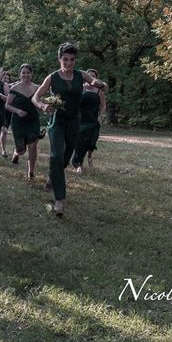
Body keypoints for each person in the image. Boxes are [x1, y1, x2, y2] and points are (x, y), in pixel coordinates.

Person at [32, 42, 107, 217]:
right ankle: (59, 200)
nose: (68, 63)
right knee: (56, 155)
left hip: (75, 122)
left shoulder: (81, 75)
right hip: (56, 121)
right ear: (60, 59)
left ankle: (52, 175)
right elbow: (35, 97)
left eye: (72, 60)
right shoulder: (52, 78)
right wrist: (43, 105)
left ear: (75, 60)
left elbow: (105, 88)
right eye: (65, 59)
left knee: (65, 159)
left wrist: (100, 83)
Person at [5, 64, 41, 179]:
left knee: (32, 146)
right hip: (18, 122)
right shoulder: (14, 88)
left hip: (33, 121)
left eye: (28, 72)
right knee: (22, 151)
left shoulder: (37, 88)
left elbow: (39, 104)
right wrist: (17, 110)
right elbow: (7, 105)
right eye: (23, 73)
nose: (26, 75)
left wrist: (43, 107)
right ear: (20, 74)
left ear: (31, 74)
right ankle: (17, 152)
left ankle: (31, 172)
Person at [71, 68, 107, 173]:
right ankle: (79, 164)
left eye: (93, 76)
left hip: (93, 119)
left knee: (91, 142)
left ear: (96, 78)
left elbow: (103, 105)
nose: (91, 78)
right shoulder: (80, 88)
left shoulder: (99, 91)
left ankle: (90, 157)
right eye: (89, 75)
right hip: (80, 119)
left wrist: (100, 116)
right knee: (80, 142)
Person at [0, 71, 13, 157]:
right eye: (5, 78)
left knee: (4, 131)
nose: (7, 80)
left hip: (8, 111)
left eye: (8, 78)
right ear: (1, 78)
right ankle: (1, 149)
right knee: (2, 130)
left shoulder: (11, 88)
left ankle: (3, 149)